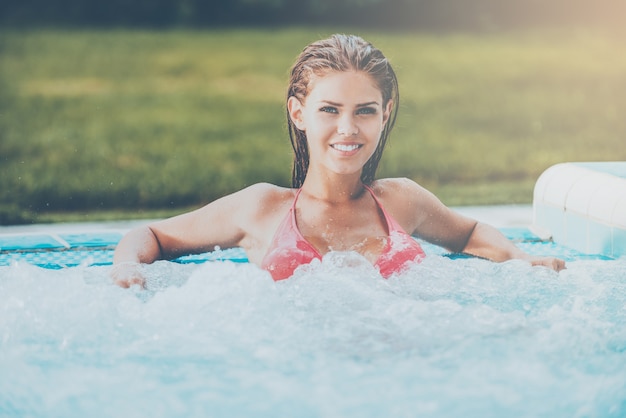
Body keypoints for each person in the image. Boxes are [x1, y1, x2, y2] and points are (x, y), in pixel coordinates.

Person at [112, 34, 565, 288]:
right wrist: (127, 272)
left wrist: (516, 258)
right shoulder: (262, 209)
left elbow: (468, 233)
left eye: (364, 111)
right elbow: (148, 234)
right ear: (298, 113)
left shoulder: (402, 201)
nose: (348, 128)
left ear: (384, 115)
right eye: (330, 110)